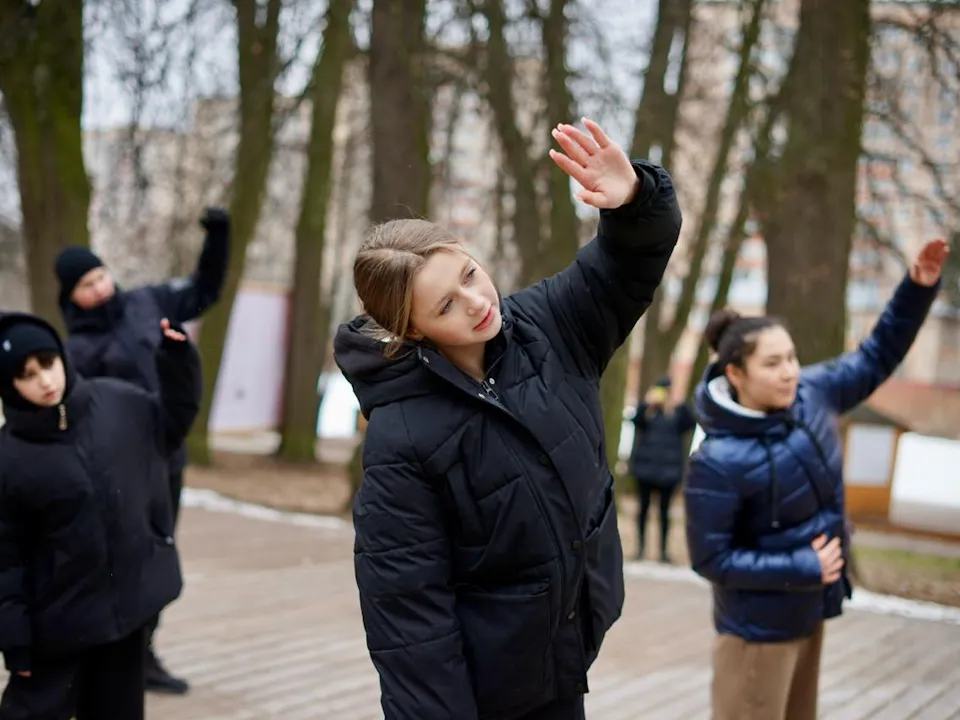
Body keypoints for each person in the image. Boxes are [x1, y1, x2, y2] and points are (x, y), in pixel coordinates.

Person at [334, 118, 681, 720]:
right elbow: (408, 615)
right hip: (492, 688)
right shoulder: (400, 436)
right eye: (447, 304)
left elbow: (628, 262)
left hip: (566, 651)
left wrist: (634, 201)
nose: (477, 302)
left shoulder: (549, 324)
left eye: (470, 274)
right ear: (412, 328)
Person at [683, 238, 947, 720]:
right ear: (735, 374)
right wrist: (802, 565)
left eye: (791, 357)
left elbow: (875, 356)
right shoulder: (716, 460)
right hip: (755, 636)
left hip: (807, 614)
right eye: (772, 363)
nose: (790, 373)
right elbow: (710, 558)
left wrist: (917, 289)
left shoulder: (812, 394)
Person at [52, 207, 229, 694]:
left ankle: (142, 652)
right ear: (71, 296)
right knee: (116, 559)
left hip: (166, 458)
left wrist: (218, 236)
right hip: (115, 474)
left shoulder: (148, 303)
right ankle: (102, 653)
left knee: (157, 555)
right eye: (85, 285)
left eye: (100, 276)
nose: (98, 288)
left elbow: (205, 289)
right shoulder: (74, 351)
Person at [0, 312, 201, 720]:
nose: (44, 380)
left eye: (47, 363)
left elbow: (172, 423)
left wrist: (177, 361)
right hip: (57, 628)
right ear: (9, 385)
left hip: (125, 619)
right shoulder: (8, 459)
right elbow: (5, 561)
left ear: (61, 356)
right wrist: (15, 641)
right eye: (27, 374)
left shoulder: (117, 402)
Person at [628, 375, 696, 563]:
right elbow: (635, 422)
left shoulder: (677, 412)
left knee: (665, 512)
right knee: (643, 509)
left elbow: (690, 423)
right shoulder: (649, 412)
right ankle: (640, 548)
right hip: (645, 469)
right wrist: (646, 405)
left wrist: (679, 404)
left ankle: (663, 552)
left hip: (669, 471)